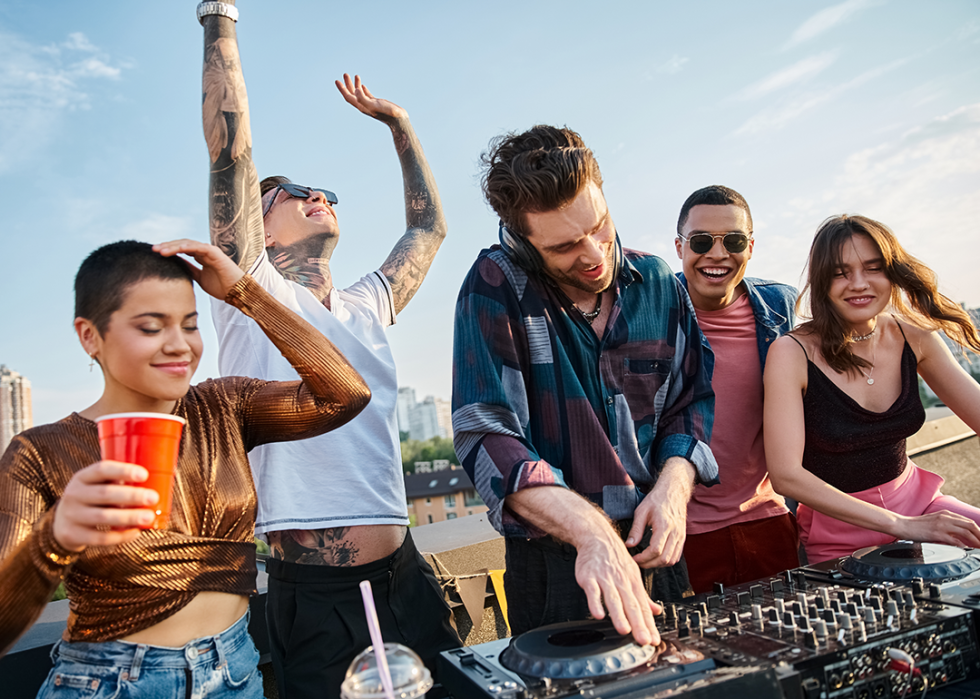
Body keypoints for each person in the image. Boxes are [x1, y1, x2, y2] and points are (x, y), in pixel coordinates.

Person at [197, 5, 458, 697]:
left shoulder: (369, 303)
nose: (318, 196)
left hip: (407, 575)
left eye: (326, 193)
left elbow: (429, 226)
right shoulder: (252, 289)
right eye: (293, 193)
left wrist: (399, 125)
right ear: (263, 230)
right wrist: (219, 20)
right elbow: (231, 151)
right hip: (314, 595)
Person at [0, 239, 370, 697]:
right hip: (111, 683)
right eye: (152, 327)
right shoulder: (41, 451)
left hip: (235, 672)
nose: (179, 346)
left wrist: (244, 292)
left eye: (191, 326)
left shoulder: (225, 406)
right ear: (89, 335)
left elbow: (345, 395)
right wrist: (53, 540)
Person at [452, 125, 718, 647]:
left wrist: (671, 491)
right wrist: (591, 532)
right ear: (526, 245)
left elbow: (690, 404)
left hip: (657, 553)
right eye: (566, 246)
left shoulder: (660, 283)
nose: (595, 253)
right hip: (556, 568)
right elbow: (486, 434)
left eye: (599, 226)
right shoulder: (493, 285)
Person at [764, 214, 980, 563]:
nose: (858, 283)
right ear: (822, 282)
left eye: (873, 268)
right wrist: (904, 526)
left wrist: (915, 522)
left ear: (892, 273)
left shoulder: (916, 336)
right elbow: (786, 476)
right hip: (839, 536)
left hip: (924, 509)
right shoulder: (791, 353)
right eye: (840, 272)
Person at [675, 186, 801, 593]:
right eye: (700, 241)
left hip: (770, 521)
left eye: (732, 241)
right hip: (680, 536)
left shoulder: (781, 307)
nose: (717, 254)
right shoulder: (650, 311)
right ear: (679, 247)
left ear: (750, 246)